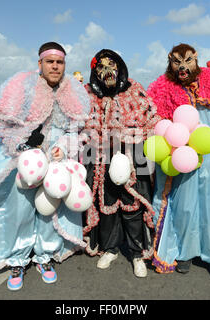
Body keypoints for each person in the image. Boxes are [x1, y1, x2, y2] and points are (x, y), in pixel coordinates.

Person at [0, 42, 91, 291]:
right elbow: (4, 127)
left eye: (59, 62)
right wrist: (24, 145)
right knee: (21, 209)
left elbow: (75, 130)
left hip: (55, 162)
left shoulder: (73, 89)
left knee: (49, 207)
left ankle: (44, 255)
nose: (55, 66)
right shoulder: (21, 85)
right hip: (23, 161)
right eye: (50, 61)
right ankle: (18, 258)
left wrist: (64, 147)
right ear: (40, 63)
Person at [147, 43, 210, 280]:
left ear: (196, 59)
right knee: (184, 206)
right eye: (177, 61)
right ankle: (185, 252)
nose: (182, 66)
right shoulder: (163, 89)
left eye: (187, 60)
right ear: (170, 62)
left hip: (208, 156)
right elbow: (158, 124)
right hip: (181, 158)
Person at [82, 49, 160, 278]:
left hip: (132, 159)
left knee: (131, 205)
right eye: (101, 67)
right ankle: (110, 248)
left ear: (120, 67)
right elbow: (81, 125)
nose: (107, 71)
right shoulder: (88, 95)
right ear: (95, 72)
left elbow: (150, 120)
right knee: (106, 206)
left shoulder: (135, 90)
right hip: (100, 158)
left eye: (112, 65)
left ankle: (137, 254)